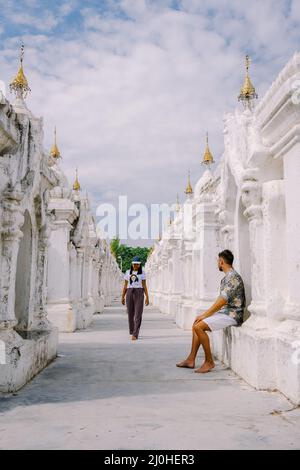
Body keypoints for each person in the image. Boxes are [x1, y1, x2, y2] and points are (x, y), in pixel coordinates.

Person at [176, 249, 245, 373]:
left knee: (199, 327)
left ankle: (209, 361)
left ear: (221, 261)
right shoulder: (226, 278)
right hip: (226, 312)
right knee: (196, 324)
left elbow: (222, 301)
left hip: (233, 315)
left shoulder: (233, 277)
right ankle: (191, 359)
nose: (217, 264)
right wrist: (204, 316)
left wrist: (205, 314)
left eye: (218, 261)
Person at [121, 256, 149, 340]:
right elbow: (125, 286)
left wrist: (147, 297)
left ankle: (135, 334)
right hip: (129, 292)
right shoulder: (127, 272)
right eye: (134, 264)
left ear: (139, 265)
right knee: (130, 313)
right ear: (132, 264)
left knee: (138, 314)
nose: (135, 266)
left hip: (139, 292)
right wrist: (122, 297)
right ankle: (132, 330)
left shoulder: (142, 273)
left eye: (137, 264)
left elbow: (144, 285)